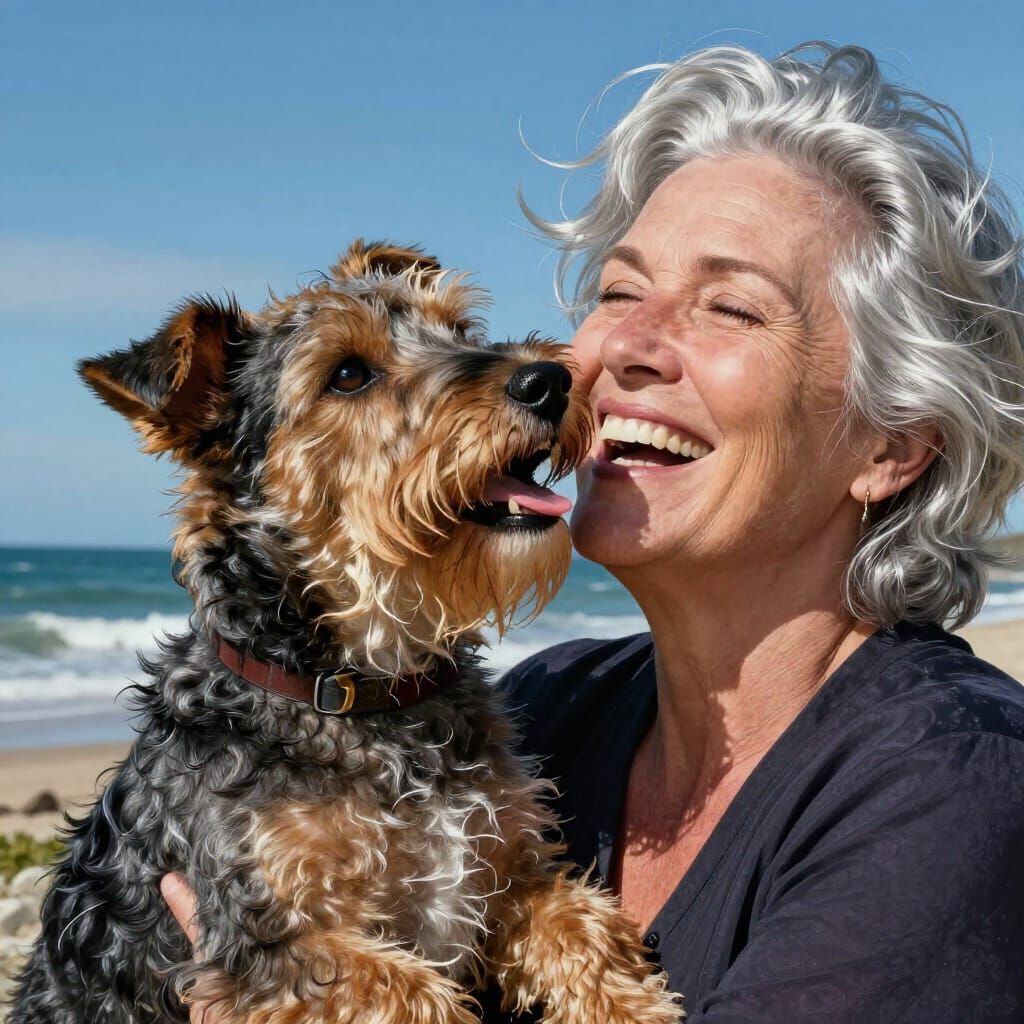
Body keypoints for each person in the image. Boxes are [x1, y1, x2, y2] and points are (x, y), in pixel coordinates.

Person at [164, 41, 1024, 1021]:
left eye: (731, 306)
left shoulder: (955, 794)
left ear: (891, 444)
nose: (619, 348)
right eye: (617, 290)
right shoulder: (538, 709)